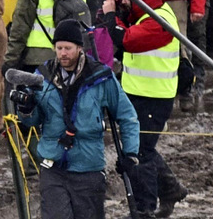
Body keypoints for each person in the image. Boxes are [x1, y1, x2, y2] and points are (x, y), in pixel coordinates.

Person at [11, 20, 141, 219]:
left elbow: (127, 116)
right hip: (52, 167)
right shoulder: (42, 76)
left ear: (80, 48)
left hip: (88, 168)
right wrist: (26, 108)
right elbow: (31, 121)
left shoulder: (101, 77)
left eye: (68, 48)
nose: (63, 53)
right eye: (59, 48)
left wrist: (130, 154)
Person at [97, 0, 185, 217]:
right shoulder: (146, 13)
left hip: (154, 97)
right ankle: (170, 189)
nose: (123, 2)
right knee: (141, 148)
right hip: (138, 91)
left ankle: (144, 210)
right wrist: (115, 13)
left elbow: (126, 40)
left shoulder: (159, 20)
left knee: (140, 153)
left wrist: (110, 17)